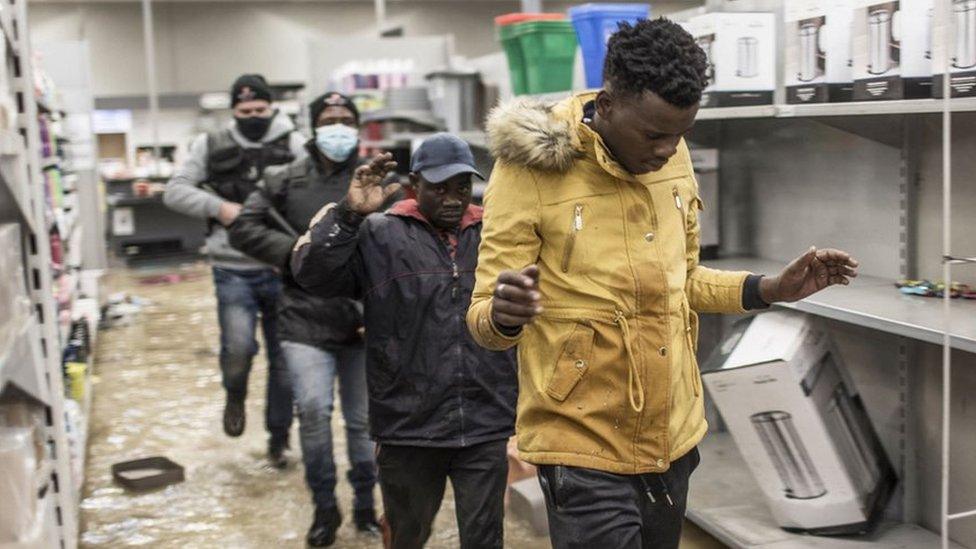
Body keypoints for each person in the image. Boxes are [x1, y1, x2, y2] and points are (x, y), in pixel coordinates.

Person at [466, 18, 860, 549]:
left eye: (682, 133)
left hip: (673, 435)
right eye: (653, 134)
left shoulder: (671, 156)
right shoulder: (530, 170)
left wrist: (770, 289)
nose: (667, 149)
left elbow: (686, 281)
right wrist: (506, 313)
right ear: (606, 105)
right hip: (580, 438)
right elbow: (483, 316)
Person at [290, 134, 518, 549]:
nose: (453, 198)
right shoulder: (381, 234)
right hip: (409, 424)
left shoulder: (494, 231)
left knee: (486, 538)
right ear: (415, 184)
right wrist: (348, 215)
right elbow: (312, 274)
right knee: (408, 535)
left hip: (486, 419)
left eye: (462, 187)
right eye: (440, 188)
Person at [227, 92, 380, 546]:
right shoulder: (283, 178)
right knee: (313, 412)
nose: (338, 126)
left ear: (357, 125)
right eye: (329, 119)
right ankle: (325, 509)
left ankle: (367, 508)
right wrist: (296, 254)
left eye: (346, 118)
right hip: (302, 320)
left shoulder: (376, 179)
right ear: (313, 127)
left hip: (361, 320)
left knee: (363, 422)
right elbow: (243, 227)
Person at [163, 74, 305, 466]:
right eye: (245, 111)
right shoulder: (210, 144)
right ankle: (235, 394)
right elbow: (175, 190)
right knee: (238, 348)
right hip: (232, 268)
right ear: (234, 111)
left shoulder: (294, 144)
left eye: (261, 110)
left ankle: (279, 439)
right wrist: (220, 208)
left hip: (282, 266)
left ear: (273, 108)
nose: (254, 116)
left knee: (284, 361)